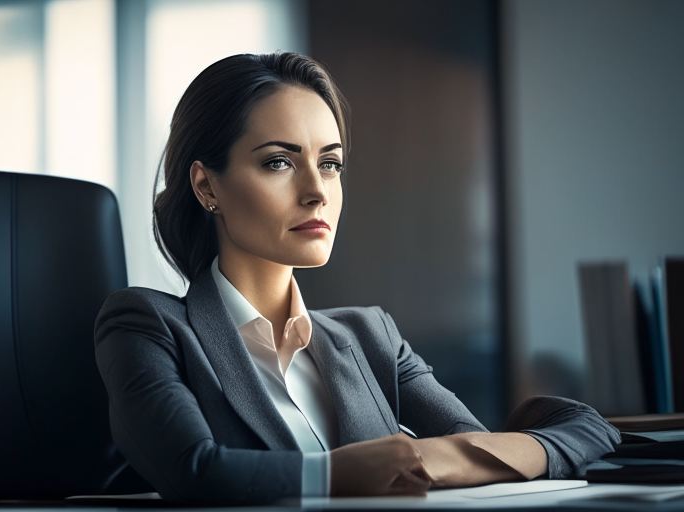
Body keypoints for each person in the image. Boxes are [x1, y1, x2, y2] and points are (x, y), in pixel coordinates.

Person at [94, 52, 620, 505]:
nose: (317, 191)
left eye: (330, 164)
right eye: (278, 163)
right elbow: (193, 470)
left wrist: (420, 457)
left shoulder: (371, 337)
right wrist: (342, 472)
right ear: (208, 186)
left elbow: (477, 449)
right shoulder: (146, 324)